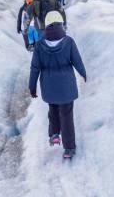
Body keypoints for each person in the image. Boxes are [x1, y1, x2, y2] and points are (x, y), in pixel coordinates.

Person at [29, 11, 86, 159]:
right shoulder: (68, 42)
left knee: (53, 108)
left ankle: (54, 133)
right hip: (66, 85)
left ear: (46, 25)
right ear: (61, 24)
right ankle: (69, 149)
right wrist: (83, 73)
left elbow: (35, 67)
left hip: (49, 85)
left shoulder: (40, 44)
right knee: (66, 115)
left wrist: (32, 85)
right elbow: (77, 60)